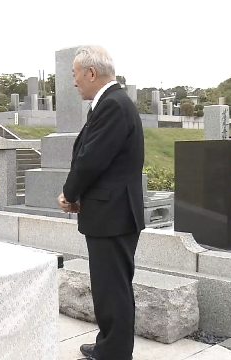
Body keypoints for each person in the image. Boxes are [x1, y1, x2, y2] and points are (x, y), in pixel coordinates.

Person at [57, 45, 145, 360]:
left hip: (114, 214)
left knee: (113, 288)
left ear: (91, 73)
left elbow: (91, 159)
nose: (74, 81)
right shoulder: (112, 102)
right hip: (112, 211)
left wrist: (70, 193)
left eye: (75, 74)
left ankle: (116, 353)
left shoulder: (112, 105)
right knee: (108, 286)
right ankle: (109, 344)